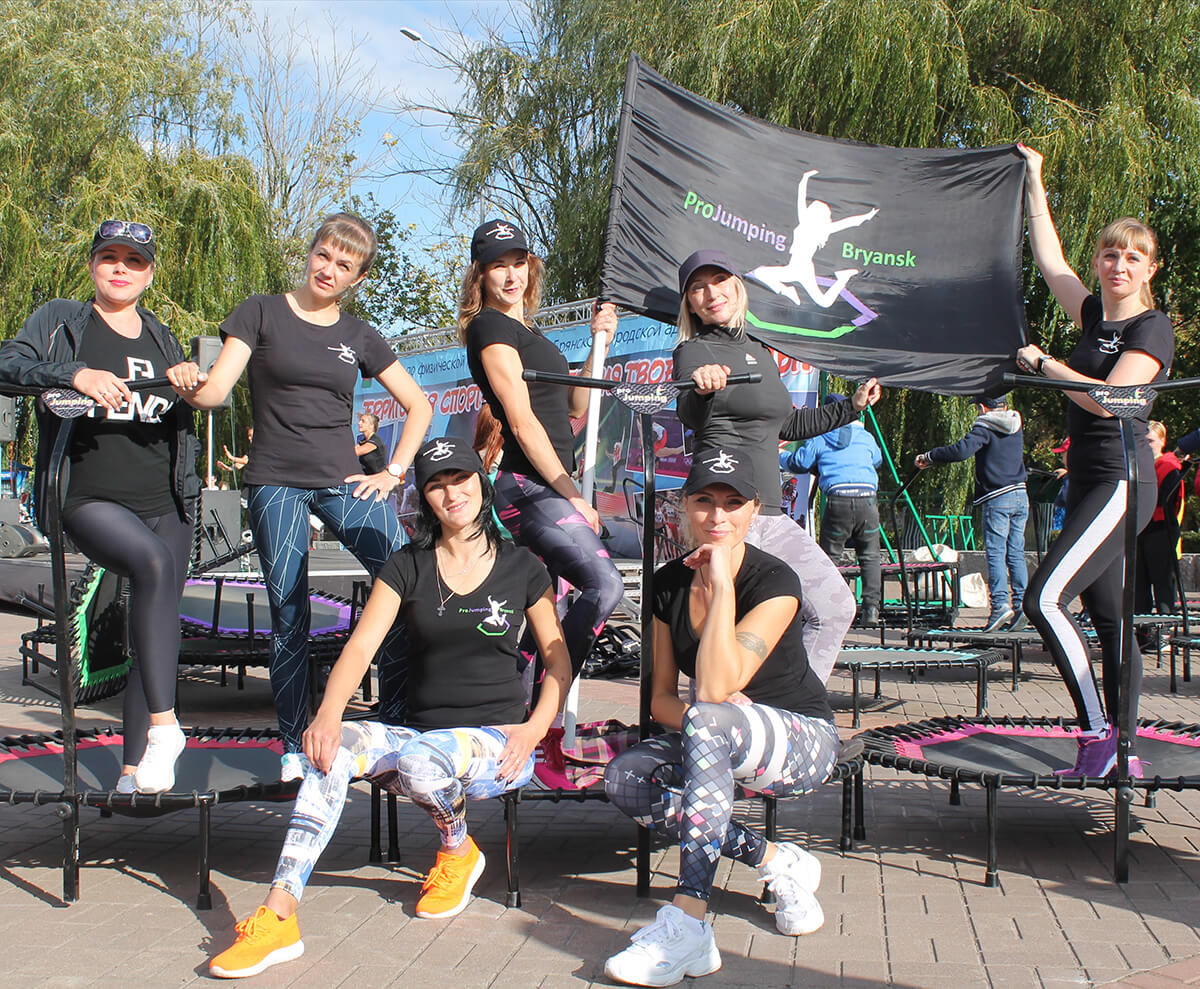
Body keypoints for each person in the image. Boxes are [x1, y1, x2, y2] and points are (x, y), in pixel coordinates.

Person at [208, 438, 571, 979]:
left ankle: (457, 850)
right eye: (436, 485)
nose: (451, 493)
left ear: (481, 483)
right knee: (331, 753)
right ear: (425, 499)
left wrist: (534, 730)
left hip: (499, 742)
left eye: (460, 478)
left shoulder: (522, 566)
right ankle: (279, 914)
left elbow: (558, 661)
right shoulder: (408, 564)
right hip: (420, 736)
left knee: (423, 761)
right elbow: (360, 647)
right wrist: (327, 717)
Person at [177, 212, 434, 778]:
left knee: (409, 584)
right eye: (324, 255)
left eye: (344, 265)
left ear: (357, 278)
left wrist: (393, 471)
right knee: (289, 614)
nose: (329, 269)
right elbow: (216, 391)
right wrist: (190, 384)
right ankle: (295, 746)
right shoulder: (260, 311)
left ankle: (392, 726)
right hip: (276, 482)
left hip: (344, 481)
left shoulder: (359, 335)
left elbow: (420, 405)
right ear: (310, 252)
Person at [602, 452, 839, 987]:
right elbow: (663, 701)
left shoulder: (775, 580)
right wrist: (706, 721)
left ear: (754, 509)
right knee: (627, 778)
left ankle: (689, 921)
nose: (717, 516)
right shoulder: (668, 584)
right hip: (715, 734)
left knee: (710, 717)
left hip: (803, 741)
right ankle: (775, 859)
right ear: (684, 506)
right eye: (704, 501)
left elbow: (714, 686)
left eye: (733, 503)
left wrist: (722, 584)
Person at [0, 220, 205, 793]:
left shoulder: (161, 335)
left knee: (156, 631)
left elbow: (186, 408)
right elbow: (7, 365)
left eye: (134, 260)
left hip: (166, 499)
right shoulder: (61, 320)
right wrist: (76, 373)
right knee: (151, 563)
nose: (121, 268)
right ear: (92, 264)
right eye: (110, 257)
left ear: (150, 274)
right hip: (87, 495)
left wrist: (189, 381)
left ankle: (136, 770)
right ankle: (166, 728)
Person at [1015, 144, 1174, 778]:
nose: (1119, 265)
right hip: (1085, 482)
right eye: (1110, 254)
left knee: (1044, 598)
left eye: (1132, 257)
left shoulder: (1151, 329)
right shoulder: (1090, 317)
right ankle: (1121, 751)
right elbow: (1049, 259)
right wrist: (1034, 179)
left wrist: (1047, 366)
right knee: (1109, 620)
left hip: (1123, 480)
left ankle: (1097, 734)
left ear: (1149, 269)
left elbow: (1111, 401)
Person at [673, 248, 882, 681]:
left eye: (719, 281)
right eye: (698, 288)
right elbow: (690, 414)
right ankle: (713, 715)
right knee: (720, 627)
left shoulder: (761, 352)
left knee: (835, 607)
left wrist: (853, 406)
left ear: (737, 287)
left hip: (769, 512)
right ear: (690, 303)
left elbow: (788, 424)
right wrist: (703, 389)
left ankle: (798, 709)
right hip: (725, 513)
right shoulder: (693, 351)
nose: (711, 293)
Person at [460, 218, 624, 679]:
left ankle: (519, 710)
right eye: (498, 265)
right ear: (480, 275)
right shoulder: (489, 327)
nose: (512, 274)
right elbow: (521, 421)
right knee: (605, 585)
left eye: (519, 262)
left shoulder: (530, 334)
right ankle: (550, 697)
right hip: (528, 486)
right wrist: (572, 494)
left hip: (544, 485)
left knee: (546, 615)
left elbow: (575, 405)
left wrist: (598, 347)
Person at [915, 394, 1029, 633]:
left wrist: (930, 456)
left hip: (998, 497)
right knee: (1016, 553)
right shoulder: (1016, 423)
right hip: (1021, 494)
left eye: (977, 408)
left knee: (996, 553)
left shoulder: (985, 426)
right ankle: (1021, 605)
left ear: (983, 407)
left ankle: (1000, 605)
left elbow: (961, 451)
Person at [780, 392, 883, 625]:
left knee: (830, 557)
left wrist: (781, 456)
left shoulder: (821, 435)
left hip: (839, 501)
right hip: (868, 501)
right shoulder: (865, 436)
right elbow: (876, 460)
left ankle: (829, 607)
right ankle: (871, 610)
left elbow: (800, 463)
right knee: (870, 556)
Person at [1135, 421, 1185, 618]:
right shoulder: (1139, 465)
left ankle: (1164, 628)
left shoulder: (1169, 466)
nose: (1147, 445)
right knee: (1138, 585)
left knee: (1162, 583)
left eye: (1151, 441)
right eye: (1143, 441)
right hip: (1141, 528)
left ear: (1162, 441)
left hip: (1160, 528)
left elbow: (1165, 499)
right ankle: (1142, 631)